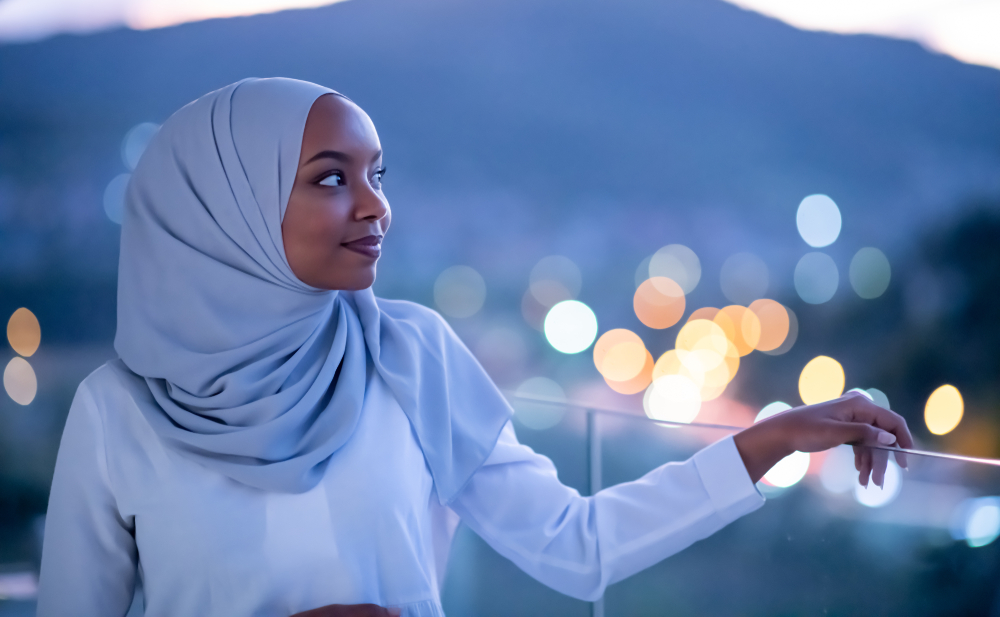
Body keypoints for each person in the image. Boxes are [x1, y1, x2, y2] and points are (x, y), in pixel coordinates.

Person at [36, 78, 914, 617]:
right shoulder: (118, 412)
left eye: (378, 174)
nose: (375, 205)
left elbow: (577, 546)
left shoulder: (411, 354)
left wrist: (773, 438)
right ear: (222, 208)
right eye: (332, 179)